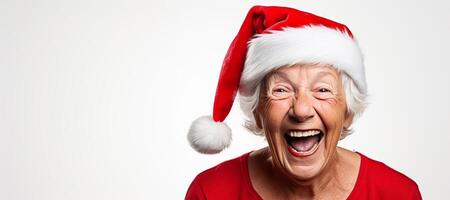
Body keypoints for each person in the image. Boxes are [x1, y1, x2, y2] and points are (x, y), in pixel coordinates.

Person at [185, 5, 422, 199]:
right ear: (258, 112)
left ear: (348, 110)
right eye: (281, 90)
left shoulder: (397, 194)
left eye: (322, 89)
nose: (301, 109)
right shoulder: (211, 193)